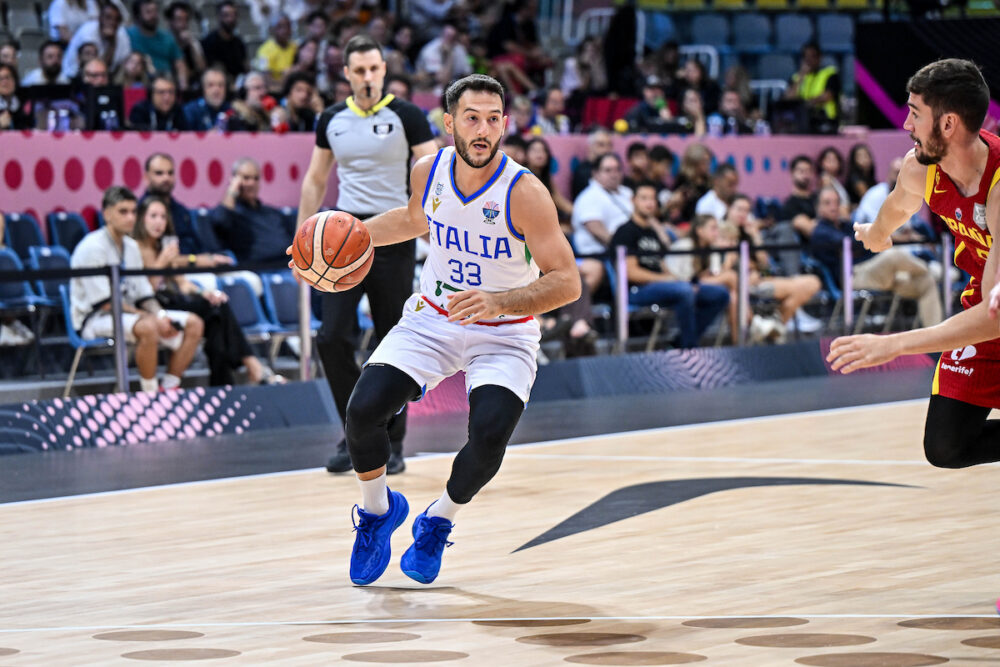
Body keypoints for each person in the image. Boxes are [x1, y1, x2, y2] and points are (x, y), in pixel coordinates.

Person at [288, 73, 579, 586]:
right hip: (433, 319)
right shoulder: (429, 170)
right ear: (450, 123)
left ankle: (437, 520)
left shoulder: (525, 193)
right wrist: (331, 241)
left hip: (504, 332)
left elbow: (568, 282)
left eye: (493, 119)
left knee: (488, 438)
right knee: (362, 412)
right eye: (472, 118)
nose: (483, 130)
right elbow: (411, 220)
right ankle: (377, 513)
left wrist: (499, 301)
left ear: (505, 124)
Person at [828, 59, 1000, 471]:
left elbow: (994, 318)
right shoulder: (920, 167)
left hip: (992, 311)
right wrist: (876, 233)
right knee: (946, 446)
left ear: (948, 124)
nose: (906, 125)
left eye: (915, 113)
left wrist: (893, 345)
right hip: (985, 305)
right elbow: (899, 204)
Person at [297, 34, 437, 476]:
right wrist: (301, 240)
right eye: (359, 70)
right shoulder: (331, 119)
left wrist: (433, 227)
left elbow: (433, 173)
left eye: (374, 68)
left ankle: (391, 440)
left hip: (395, 231)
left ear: (383, 69)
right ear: (347, 74)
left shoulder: (408, 115)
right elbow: (315, 180)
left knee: (393, 338)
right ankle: (355, 431)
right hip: (343, 235)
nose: (367, 76)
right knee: (331, 336)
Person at [133, 196, 281, 385]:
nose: (159, 222)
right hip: (151, 306)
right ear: (142, 218)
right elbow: (146, 291)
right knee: (215, 313)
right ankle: (251, 367)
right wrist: (162, 261)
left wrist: (205, 293)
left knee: (217, 310)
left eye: (163, 217)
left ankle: (223, 382)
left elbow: (184, 284)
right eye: (153, 216)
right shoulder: (135, 249)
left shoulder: (164, 246)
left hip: (171, 299)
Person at [70, 186, 204, 394]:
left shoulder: (131, 246)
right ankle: (149, 395)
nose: (131, 218)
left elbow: (144, 294)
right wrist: (150, 318)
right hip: (94, 318)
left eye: (133, 212)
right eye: (123, 212)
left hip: (130, 314)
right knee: (149, 326)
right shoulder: (92, 248)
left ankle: (169, 386)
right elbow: (105, 303)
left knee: (194, 323)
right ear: (107, 214)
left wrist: (161, 315)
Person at [616, 190, 729, 348]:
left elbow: (663, 265)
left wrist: (679, 281)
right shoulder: (625, 231)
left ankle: (681, 341)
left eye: (653, 199)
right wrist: (669, 280)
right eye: (644, 198)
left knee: (720, 294)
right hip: (636, 290)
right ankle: (689, 347)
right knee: (684, 290)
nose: (650, 203)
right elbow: (630, 273)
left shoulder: (653, 232)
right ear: (633, 200)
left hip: (667, 286)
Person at [211, 157, 294, 263]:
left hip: (288, 264)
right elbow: (220, 221)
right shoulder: (233, 214)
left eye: (256, 178)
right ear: (234, 180)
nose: (252, 183)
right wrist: (232, 190)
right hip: (257, 268)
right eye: (246, 178)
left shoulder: (272, 213)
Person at [128, 0, 189, 89]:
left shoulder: (167, 38)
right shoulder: (128, 35)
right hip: (139, 83)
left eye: (155, 11)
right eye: (148, 12)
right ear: (138, 15)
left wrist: (183, 88)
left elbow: (180, 64)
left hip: (166, 82)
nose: (153, 15)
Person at [783, 41, 839, 135]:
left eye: (812, 56)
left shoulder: (830, 74)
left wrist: (806, 104)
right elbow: (788, 99)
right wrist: (801, 76)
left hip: (826, 121)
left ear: (820, 57)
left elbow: (827, 96)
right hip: (802, 122)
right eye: (806, 57)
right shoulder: (796, 77)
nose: (809, 60)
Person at [63, 1, 131, 79]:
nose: (112, 22)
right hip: (74, 76)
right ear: (100, 18)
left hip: (106, 78)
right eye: (108, 17)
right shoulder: (88, 31)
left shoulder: (122, 34)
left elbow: (124, 63)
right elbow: (95, 68)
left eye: (116, 19)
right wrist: (112, 43)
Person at [201, 0, 249, 81]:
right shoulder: (209, 41)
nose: (230, 19)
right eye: (226, 15)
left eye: (233, 15)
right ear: (219, 17)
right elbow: (213, 69)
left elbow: (245, 67)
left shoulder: (239, 42)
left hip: (239, 83)